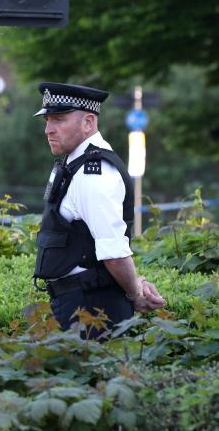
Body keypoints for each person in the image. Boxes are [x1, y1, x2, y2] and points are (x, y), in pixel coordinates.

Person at [32, 82, 166, 339]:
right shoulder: (77, 163)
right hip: (83, 302)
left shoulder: (94, 173)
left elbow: (113, 253)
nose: (49, 129)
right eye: (47, 120)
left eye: (59, 119)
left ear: (88, 122)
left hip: (92, 307)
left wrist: (135, 295)